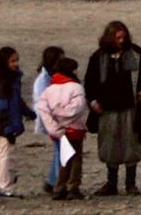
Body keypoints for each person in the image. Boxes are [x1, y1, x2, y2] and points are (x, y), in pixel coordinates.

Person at [84, 20, 141, 196]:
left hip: (131, 108)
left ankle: (131, 184)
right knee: (109, 145)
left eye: (123, 37)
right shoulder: (98, 57)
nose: (121, 40)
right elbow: (89, 84)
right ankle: (111, 183)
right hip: (107, 110)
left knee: (131, 145)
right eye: (117, 37)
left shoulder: (135, 54)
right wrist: (92, 102)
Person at [36, 57, 89, 200]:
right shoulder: (76, 87)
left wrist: (55, 126)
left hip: (58, 131)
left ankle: (59, 188)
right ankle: (73, 186)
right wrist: (65, 119)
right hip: (74, 130)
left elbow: (44, 111)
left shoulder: (49, 90)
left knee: (64, 159)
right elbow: (77, 108)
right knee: (76, 159)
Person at [0, 46, 32, 197]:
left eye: (16, 60)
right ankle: (4, 185)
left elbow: (17, 101)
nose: (16, 63)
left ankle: (0, 182)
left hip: (4, 122)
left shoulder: (10, 79)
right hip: (5, 123)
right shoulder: (5, 81)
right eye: (12, 61)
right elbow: (2, 106)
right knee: (6, 154)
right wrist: (7, 126)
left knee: (3, 152)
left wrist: (28, 112)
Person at [32, 46, 65, 193]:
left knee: (59, 148)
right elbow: (42, 103)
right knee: (61, 149)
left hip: (56, 118)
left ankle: (52, 181)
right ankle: (58, 182)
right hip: (50, 120)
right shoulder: (42, 81)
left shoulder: (53, 77)